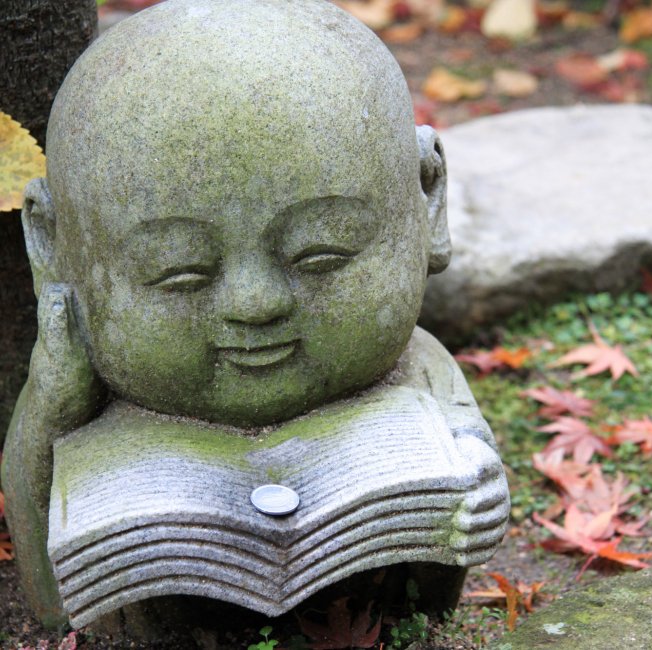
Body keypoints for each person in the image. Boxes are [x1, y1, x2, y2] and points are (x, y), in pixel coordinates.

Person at [2, 0, 509, 630]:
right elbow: (51, 596)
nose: (255, 304)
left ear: (426, 197)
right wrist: (50, 411)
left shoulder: (416, 371)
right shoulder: (75, 394)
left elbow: (456, 510)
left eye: (320, 255)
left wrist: (468, 501)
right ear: (51, 245)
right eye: (180, 271)